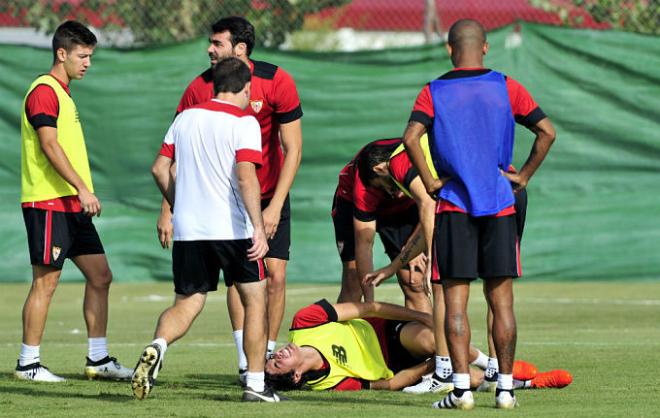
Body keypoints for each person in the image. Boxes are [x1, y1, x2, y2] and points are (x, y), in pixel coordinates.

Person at [402, 19, 556, 409]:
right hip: (500, 204)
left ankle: (460, 391)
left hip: (454, 206)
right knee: (501, 301)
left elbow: (409, 139)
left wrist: (430, 180)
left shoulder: (433, 91)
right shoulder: (507, 86)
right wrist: (522, 175)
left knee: (455, 302)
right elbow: (547, 132)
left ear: (449, 49)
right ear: (485, 47)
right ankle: (505, 390)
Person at [157, 16, 303, 379]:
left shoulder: (276, 80)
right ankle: (247, 364)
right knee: (246, 283)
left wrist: (274, 207)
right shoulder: (198, 88)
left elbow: (293, 148)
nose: (209, 49)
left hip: (268, 195)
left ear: (240, 48)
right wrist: (168, 209)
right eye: (210, 42)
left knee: (276, 278)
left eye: (217, 43)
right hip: (229, 206)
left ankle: (264, 357)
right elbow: (176, 159)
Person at [131, 57, 281, 402]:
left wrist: (178, 203)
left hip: (189, 230)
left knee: (188, 302)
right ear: (246, 89)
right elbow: (246, 176)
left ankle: (158, 345)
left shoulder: (185, 118)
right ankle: (256, 386)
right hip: (232, 229)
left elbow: (159, 168)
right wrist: (258, 227)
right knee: (256, 300)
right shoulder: (244, 122)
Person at [360, 134, 528, 394]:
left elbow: (427, 207)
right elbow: (429, 217)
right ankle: (495, 374)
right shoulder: (433, 152)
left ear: (379, 169)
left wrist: (432, 261)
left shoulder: (397, 163)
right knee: (497, 286)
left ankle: (445, 373)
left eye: (380, 185)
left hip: (483, 197)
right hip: (510, 191)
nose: (388, 192)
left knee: (443, 286)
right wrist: (394, 267)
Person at [16, 20, 132, 382]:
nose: (87, 63)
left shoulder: (65, 94)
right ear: (61, 53)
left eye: (90, 56)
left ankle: (98, 361)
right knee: (46, 282)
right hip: (49, 202)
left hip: (72, 206)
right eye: (82, 56)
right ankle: (28, 363)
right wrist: (83, 187)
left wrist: (79, 194)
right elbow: (49, 145)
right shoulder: (44, 90)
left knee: (101, 276)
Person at [265, 299, 485, 391]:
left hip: (385, 332)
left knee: (431, 339)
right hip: (396, 366)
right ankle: (508, 377)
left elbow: (370, 308)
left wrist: (422, 316)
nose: (277, 355)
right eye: (277, 364)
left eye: (271, 357)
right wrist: (432, 366)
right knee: (472, 378)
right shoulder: (329, 384)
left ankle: (489, 362)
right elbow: (390, 384)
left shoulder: (304, 321)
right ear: (295, 376)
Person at [333, 138, 432, 315]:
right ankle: (343, 338)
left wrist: (415, 246)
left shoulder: (416, 159)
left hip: (407, 209)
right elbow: (364, 244)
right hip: (349, 204)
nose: (397, 192)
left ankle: (428, 339)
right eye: (387, 188)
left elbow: (429, 207)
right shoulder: (365, 188)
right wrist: (369, 303)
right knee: (354, 280)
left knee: (414, 280)